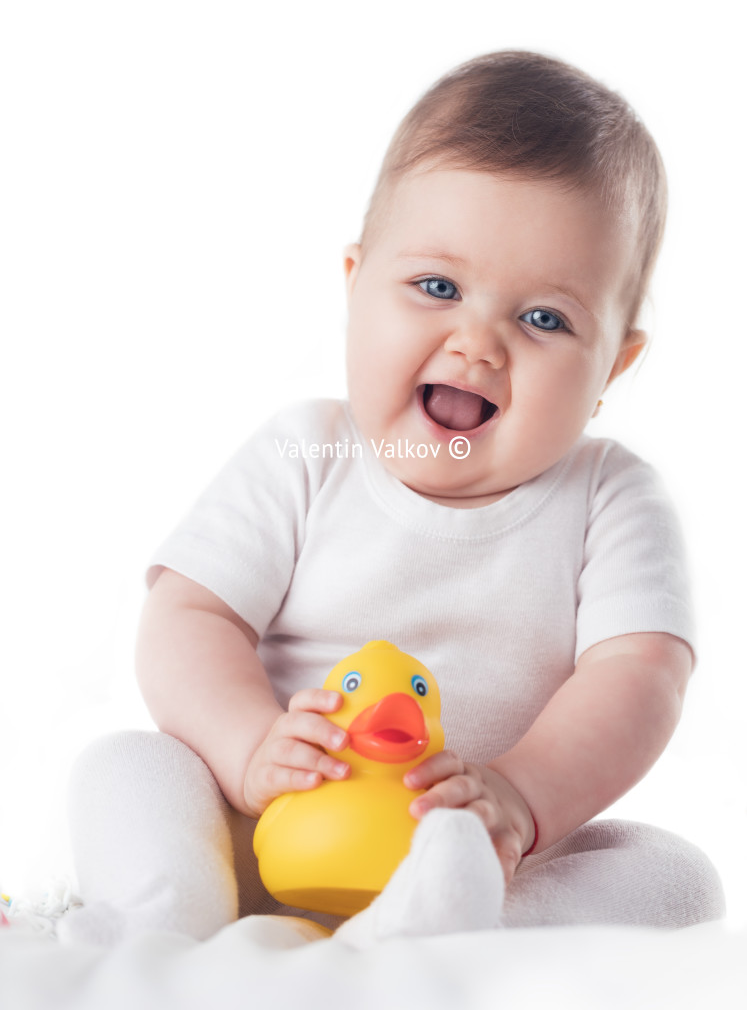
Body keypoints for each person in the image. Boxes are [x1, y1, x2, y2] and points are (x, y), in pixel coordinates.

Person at [60, 51, 725, 949]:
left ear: (612, 365)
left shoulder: (610, 497)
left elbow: (640, 675)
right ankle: (171, 899)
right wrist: (251, 747)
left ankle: (454, 916)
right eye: (437, 288)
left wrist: (518, 800)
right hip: (255, 828)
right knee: (129, 766)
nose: (477, 344)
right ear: (354, 286)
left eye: (543, 319)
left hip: (472, 847)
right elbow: (189, 614)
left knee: (673, 874)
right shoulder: (307, 454)